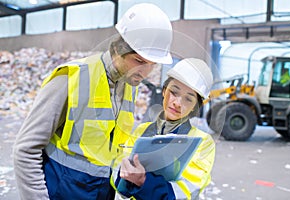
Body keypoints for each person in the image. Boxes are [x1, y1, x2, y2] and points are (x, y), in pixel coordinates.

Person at [13, 3, 173, 200]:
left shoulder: (130, 85)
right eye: (139, 61)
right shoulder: (71, 78)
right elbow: (25, 149)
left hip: (102, 192)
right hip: (63, 192)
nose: (145, 72)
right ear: (117, 49)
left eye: (152, 64)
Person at [112, 58, 216, 200]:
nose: (177, 103)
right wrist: (123, 178)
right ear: (164, 91)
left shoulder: (203, 142)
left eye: (188, 99)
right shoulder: (141, 131)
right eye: (174, 92)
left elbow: (185, 192)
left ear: (195, 106)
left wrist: (144, 181)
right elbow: (119, 175)